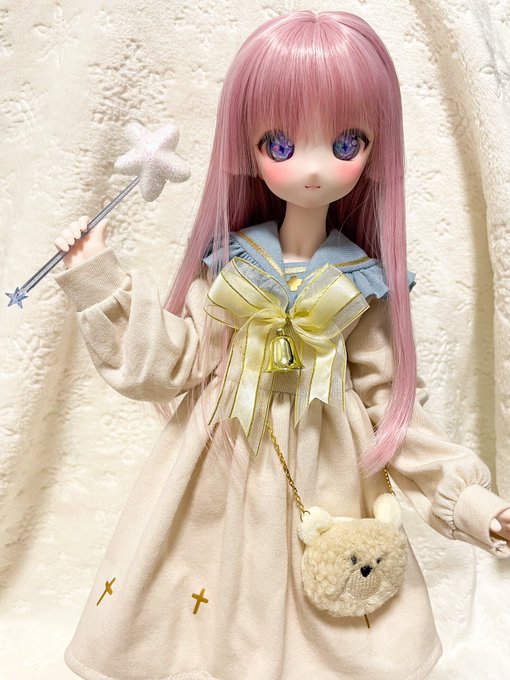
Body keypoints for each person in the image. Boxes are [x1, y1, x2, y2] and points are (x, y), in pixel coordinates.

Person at [53, 10, 510, 680]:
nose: (315, 169)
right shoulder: (230, 266)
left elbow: (393, 412)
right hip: (223, 460)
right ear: (248, 147)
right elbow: (175, 360)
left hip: (328, 474)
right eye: (282, 144)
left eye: (347, 143)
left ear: (377, 148)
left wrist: (472, 503)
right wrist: (98, 275)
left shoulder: (365, 284)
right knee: (203, 601)